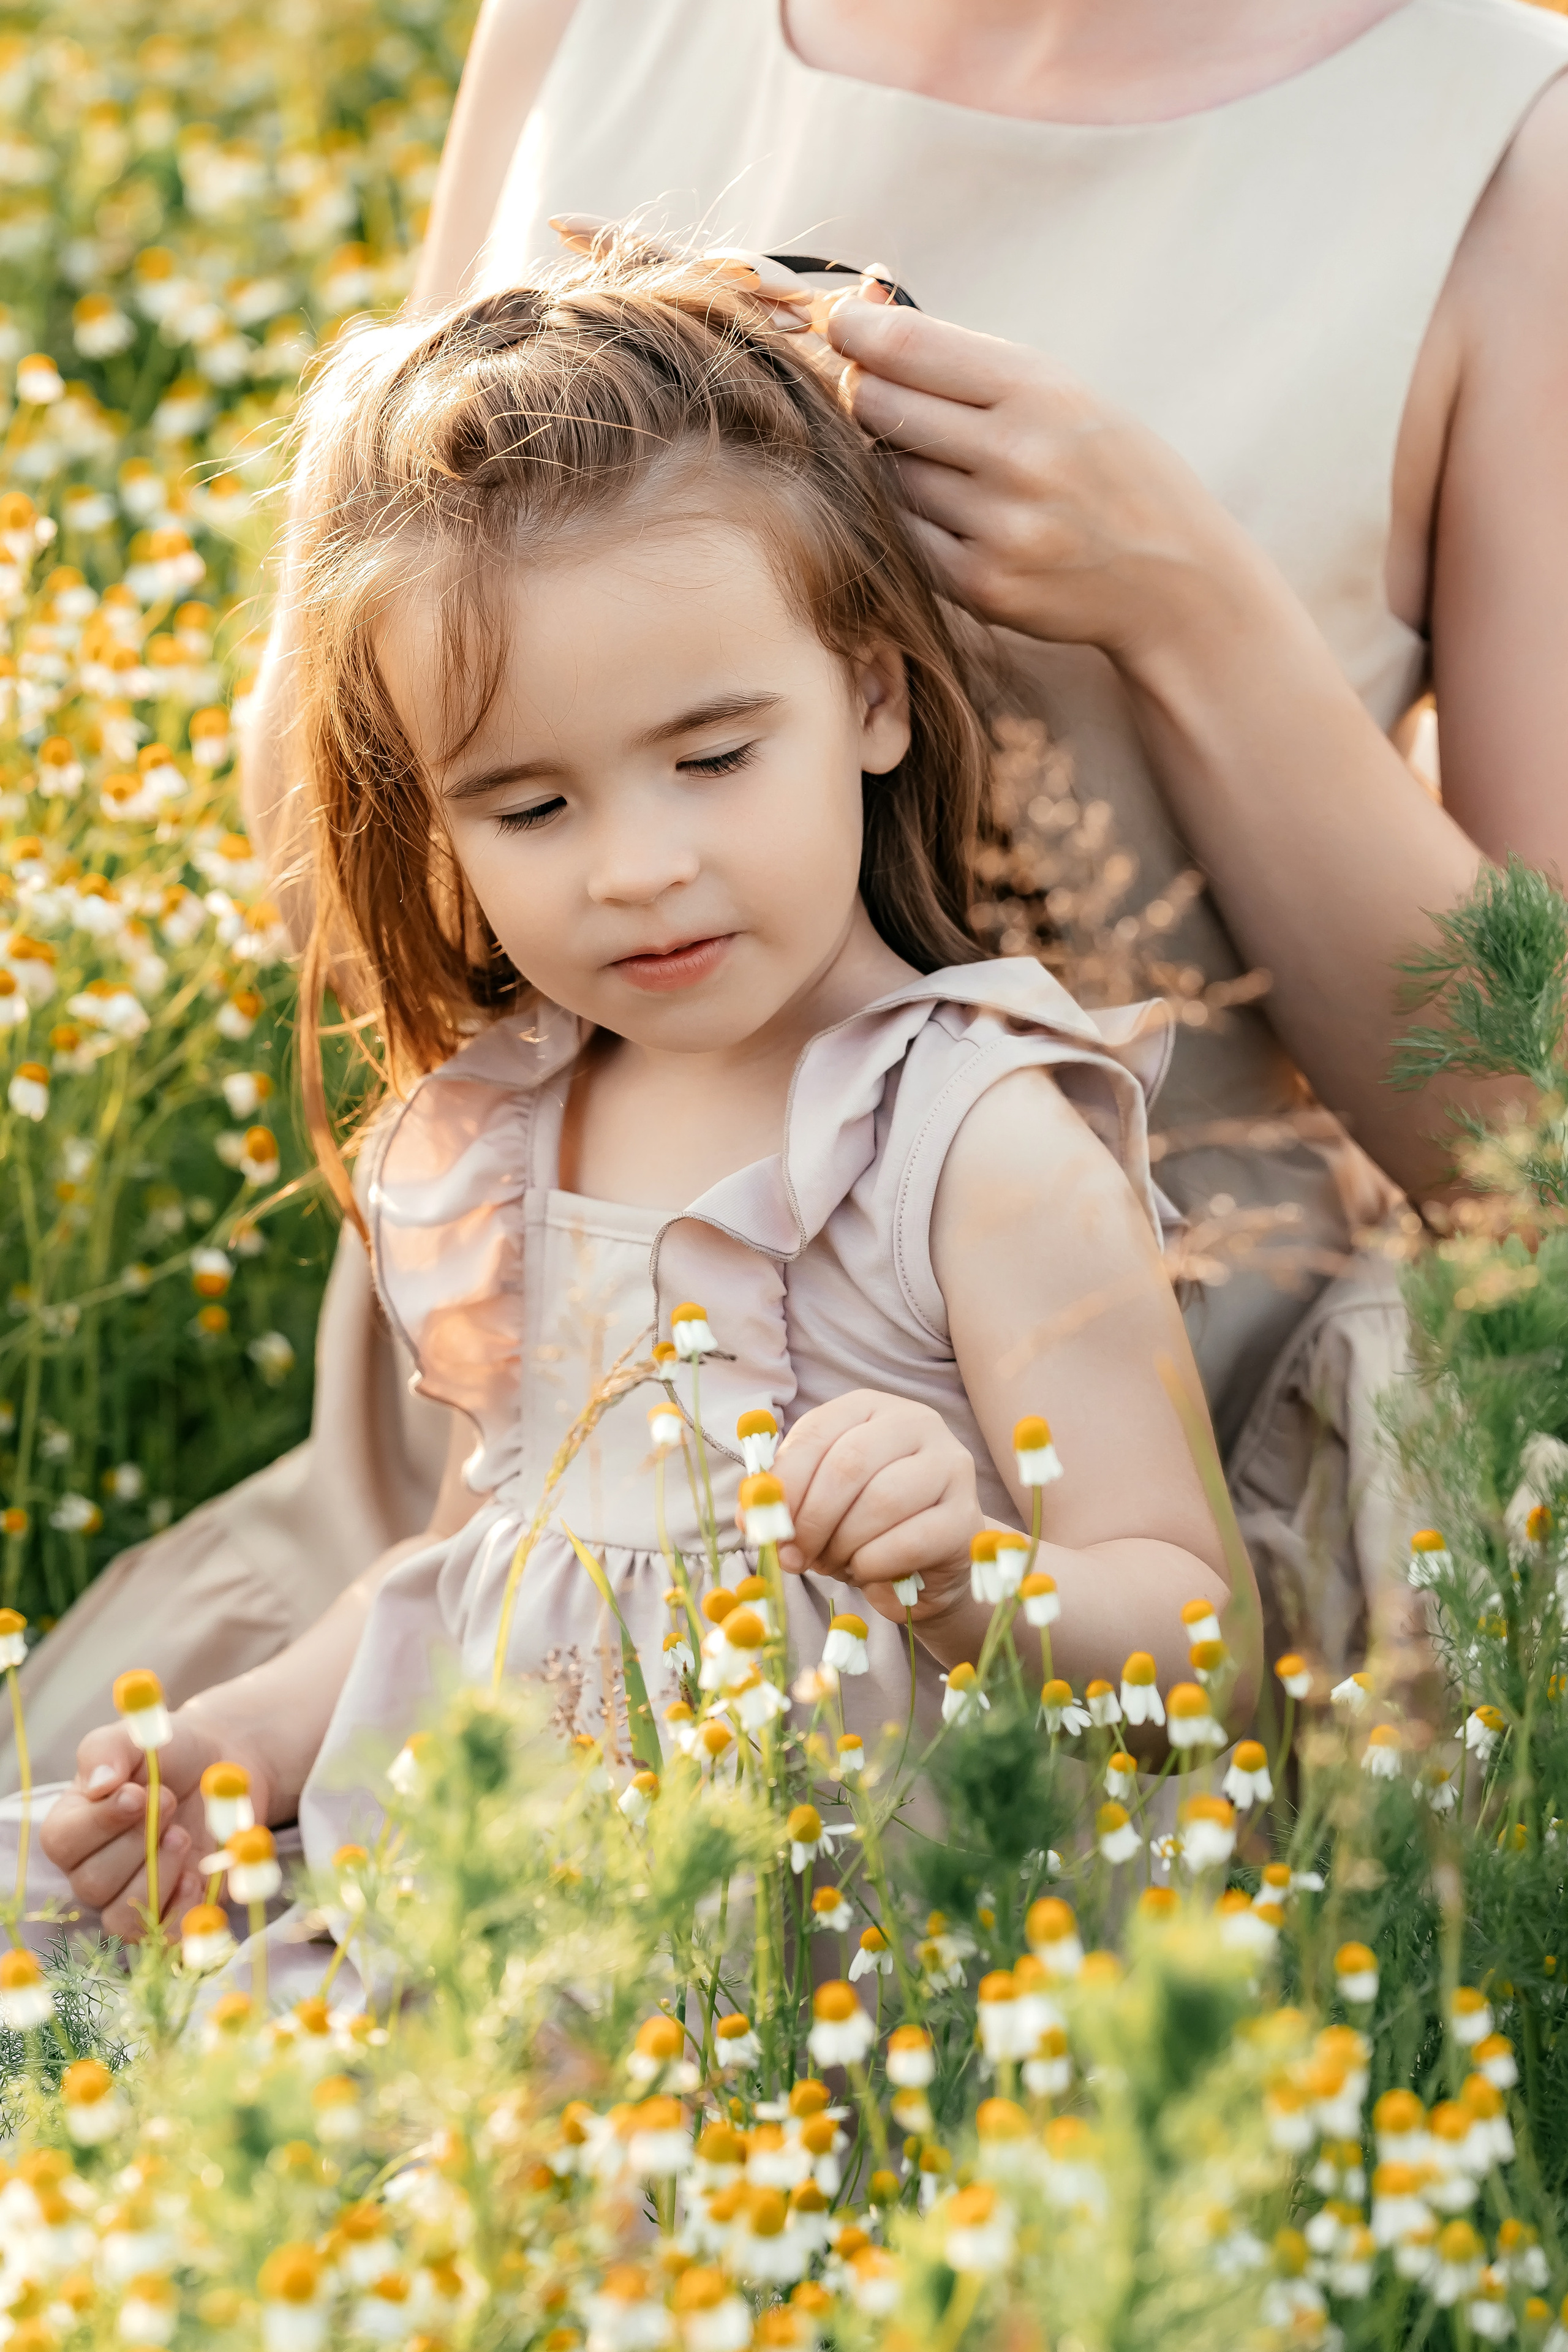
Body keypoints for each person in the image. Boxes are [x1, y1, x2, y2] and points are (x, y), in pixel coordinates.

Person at [10, 0, 1567, 1784]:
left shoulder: (1503, 151)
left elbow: (1533, 1130)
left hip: (1080, 1440)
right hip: (519, 1439)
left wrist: (1184, 601)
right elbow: (337, 843)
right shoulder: (590, 22)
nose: (641, 850)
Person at [34, 252, 1245, 1942]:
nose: (638, 869)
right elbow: (492, 1556)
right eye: (530, 808)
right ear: (439, 823)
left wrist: (974, 1581)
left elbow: (1202, 1642)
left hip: (833, 1987)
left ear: (872, 701)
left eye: (713, 756)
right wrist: (268, 1730)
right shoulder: (525, 1125)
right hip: (516, 1937)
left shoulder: (973, 1140)